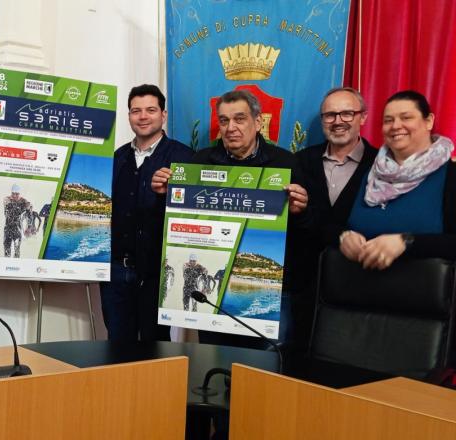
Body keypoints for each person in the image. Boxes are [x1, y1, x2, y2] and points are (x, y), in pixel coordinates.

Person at [151, 89, 310, 348]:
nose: (231, 127)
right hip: (213, 293)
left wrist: (301, 211)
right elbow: (179, 222)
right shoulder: (200, 162)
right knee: (215, 363)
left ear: (257, 122)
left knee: (267, 365)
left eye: (239, 119)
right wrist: (163, 196)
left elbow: (308, 232)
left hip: (268, 292)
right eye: (224, 120)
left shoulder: (285, 163)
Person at [100, 84, 194, 342]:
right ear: (129, 115)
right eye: (136, 111)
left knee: (156, 346)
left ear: (163, 115)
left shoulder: (184, 158)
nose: (143, 116)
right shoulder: (117, 157)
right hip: (116, 271)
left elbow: (196, 215)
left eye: (150, 110)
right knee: (117, 343)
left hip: (158, 273)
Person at [293, 87, 377, 350]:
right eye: (330, 115)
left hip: (359, 285)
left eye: (347, 113)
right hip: (303, 288)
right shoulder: (300, 161)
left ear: (363, 117)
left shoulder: (382, 165)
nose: (338, 121)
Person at [339, 90, 456, 267]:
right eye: (388, 120)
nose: (395, 126)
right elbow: (330, 225)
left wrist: (406, 242)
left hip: (420, 284)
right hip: (355, 282)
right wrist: (343, 236)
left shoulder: (451, 174)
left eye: (406, 117)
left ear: (429, 121)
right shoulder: (367, 170)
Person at [2, 184, 31, 258]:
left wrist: (29, 227)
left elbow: (29, 215)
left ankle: (16, 263)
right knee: (7, 250)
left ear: (19, 193)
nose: (14, 196)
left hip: (17, 230)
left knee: (17, 250)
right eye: (13, 193)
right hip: (8, 229)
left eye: (17, 194)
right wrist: (24, 206)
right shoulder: (7, 199)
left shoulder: (24, 201)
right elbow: (9, 212)